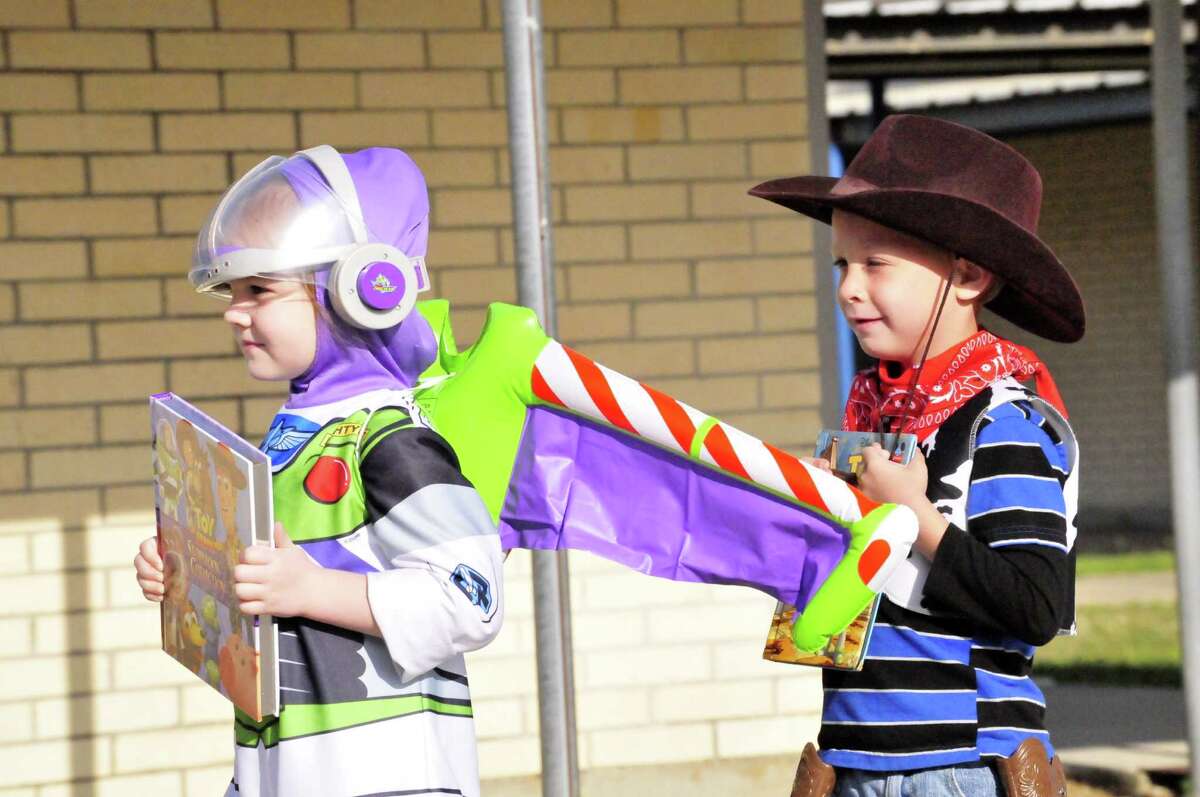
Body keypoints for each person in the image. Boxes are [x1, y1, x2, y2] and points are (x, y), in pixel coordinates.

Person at [133, 146, 504, 797]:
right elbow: (272, 592)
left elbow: (474, 602)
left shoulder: (389, 438)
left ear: (356, 290)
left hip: (383, 776)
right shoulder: (291, 438)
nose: (233, 310)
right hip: (281, 768)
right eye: (231, 291)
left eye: (259, 289)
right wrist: (191, 570)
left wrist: (311, 589)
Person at [751, 115, 1082, 797]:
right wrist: (813, 512)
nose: (848, 287)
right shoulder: (871, 421)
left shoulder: (1005, 423)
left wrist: (913, 513)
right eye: (842, 264)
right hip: (854, 759)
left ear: (968, 276)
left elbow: (1035, 605)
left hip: (957, 767)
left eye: (875, 264)